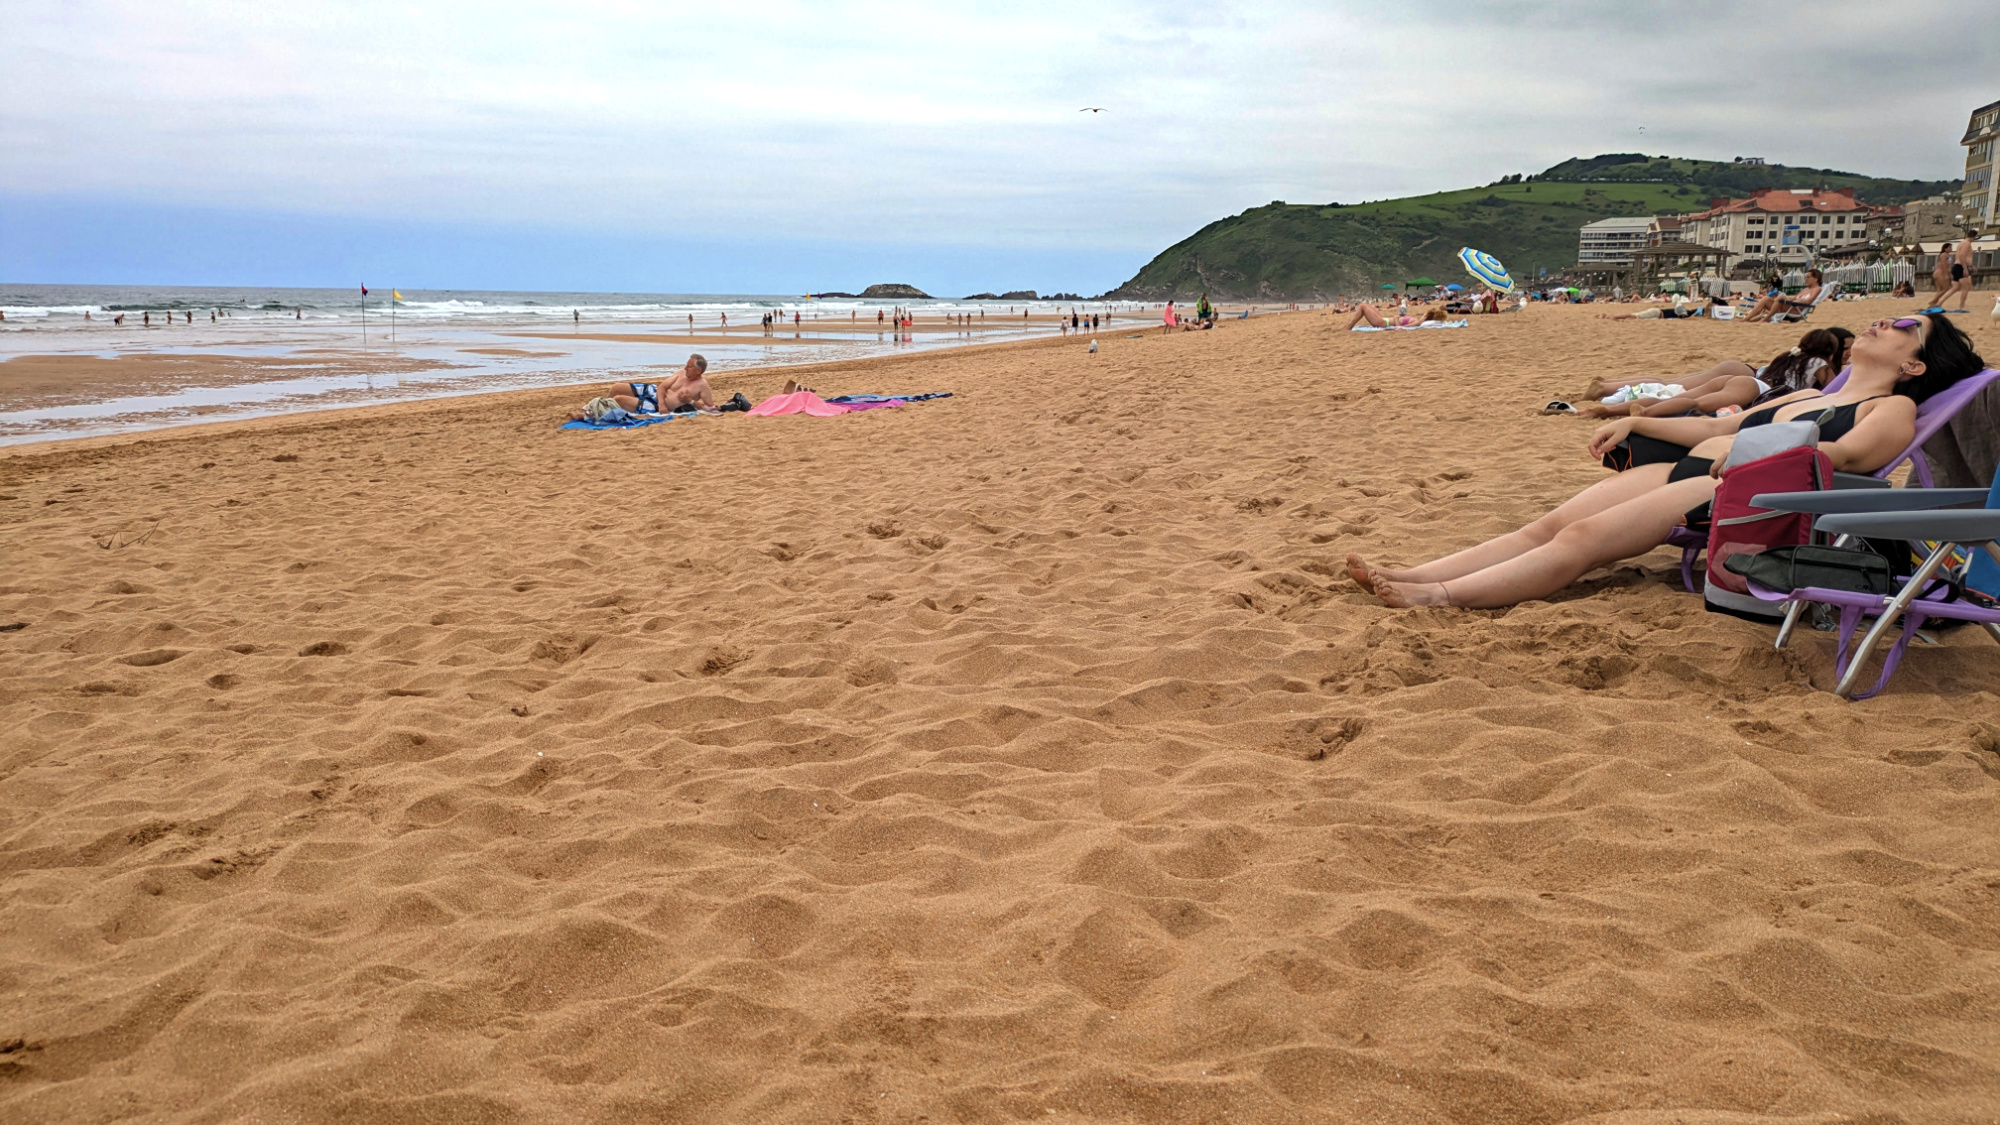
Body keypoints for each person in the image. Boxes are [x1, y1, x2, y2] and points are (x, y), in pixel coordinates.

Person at [1347, 314, 1984, 609]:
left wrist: (1755, 452)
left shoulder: (1891, 408)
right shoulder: (1807, 395)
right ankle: (1413, 571)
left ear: (1914, 365)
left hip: (1741, 493)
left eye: (1906, 325)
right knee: (1546, 525)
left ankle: (1441, 596)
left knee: (1583, 539)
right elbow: (1717, 425)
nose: (1883, 321)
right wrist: (1636, 420)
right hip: (1692, 469)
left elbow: (1845, 457)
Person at [1576, 328, 1852, 418]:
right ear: (1830, 351)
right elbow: (1833, 392)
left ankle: (1611, 406)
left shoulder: (1789, 357)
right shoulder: (1820, 365)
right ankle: (1637, 412)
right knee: (1693, 402)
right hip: (1755, 388)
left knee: (1677, 392)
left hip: (1745, 379)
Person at [576, 355, 714, 418]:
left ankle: (591, 415)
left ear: (698, 371)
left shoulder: (702, 386)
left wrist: (691, 401)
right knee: (616, 388)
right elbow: (662, 387)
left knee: (619, 400)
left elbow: (711, 409)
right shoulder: (681, 373)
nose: (685, 368)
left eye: (689, 367)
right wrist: (662, 403)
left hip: (653, 406)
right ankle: (600, 411)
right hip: (655, 393)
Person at [1741, 269, 1822, 322]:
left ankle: (1765, 319)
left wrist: (1793, 300)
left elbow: (1808, 301)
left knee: (1782, 297)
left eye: (1808, 277)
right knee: (1766, 299)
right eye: (1806, 277)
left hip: (1796, 310)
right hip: (1789, 306)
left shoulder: (1817, 289)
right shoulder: (1805, 289)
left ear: (1816, 279)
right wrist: (1788, 299)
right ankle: (1746, 319)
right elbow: (1794, 297)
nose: (1806, 279)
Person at [1938, 232, 1978, 312]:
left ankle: (1939, 303)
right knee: (1966, 287)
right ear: (1974, 237)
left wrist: (1971, 266)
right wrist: (1965, 269)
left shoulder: (1962, 243)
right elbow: (1962, 256)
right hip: (1961, 267)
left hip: (1958, 266)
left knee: (1955, 287)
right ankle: (1961, 306)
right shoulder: (1966, 244)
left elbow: (1964, 256)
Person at [1341, 303, 1445, 330]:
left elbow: (1401, 327)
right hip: (1384, 320)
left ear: (1427, 315)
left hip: (1382, 323)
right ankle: (1348, 326)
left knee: (1363, 306)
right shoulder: (1418, 321)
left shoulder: (1417, 322)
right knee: (1368, 306)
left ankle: (1348, 327)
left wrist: (1396, 319)